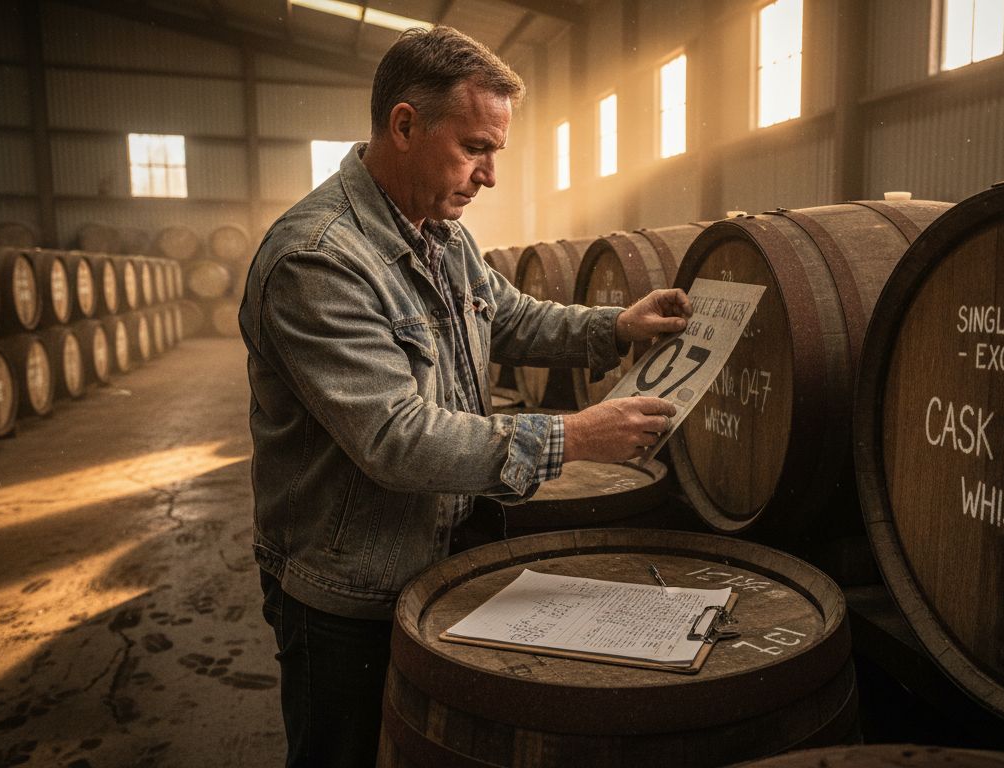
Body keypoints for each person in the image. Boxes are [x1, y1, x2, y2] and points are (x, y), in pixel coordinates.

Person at [237, 25, 691, 768]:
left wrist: (615, 324)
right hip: (346, 587)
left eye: (495, 153)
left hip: (445, 554)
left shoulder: (438, 231)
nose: (488, 175)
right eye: (475, 148)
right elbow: (397, 440)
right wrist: (572, 438)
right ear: (405, 126)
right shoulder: (317, 260)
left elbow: (510, 315)